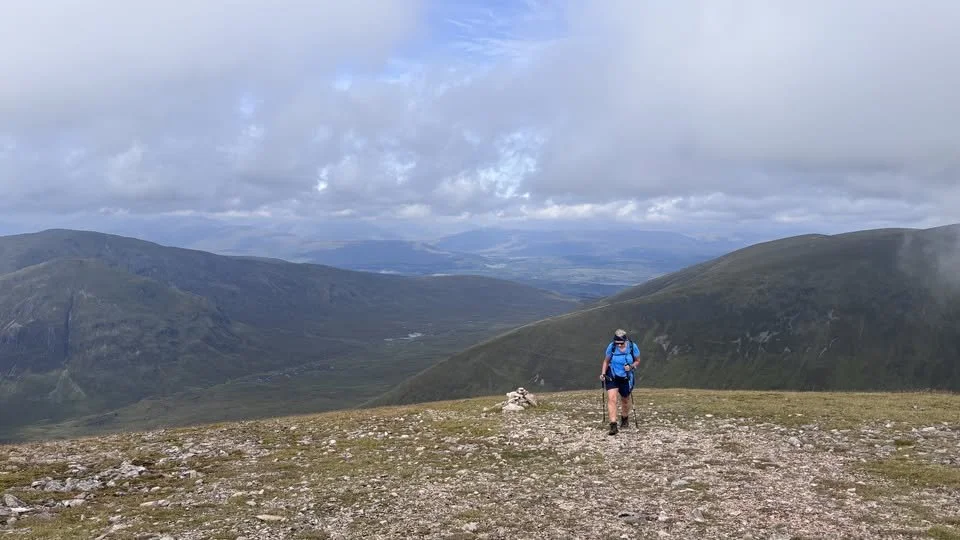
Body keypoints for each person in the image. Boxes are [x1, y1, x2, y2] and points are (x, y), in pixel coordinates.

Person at [599, 329, 640, 435]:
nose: (619, 345)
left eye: (621, 343)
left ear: (625, 341)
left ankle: (625, 418)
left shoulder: (632, 346)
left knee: (625, 399)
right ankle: (613, 425)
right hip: (612, 375)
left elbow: (637, 361)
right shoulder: (611, 347)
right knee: (612, 399)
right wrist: (603, 373)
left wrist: (631, 366)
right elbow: (606, 361)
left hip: (626, 377)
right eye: (617, 343)